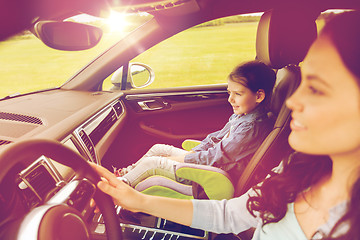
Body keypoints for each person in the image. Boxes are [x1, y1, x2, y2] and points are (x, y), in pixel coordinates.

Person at [91, 11, 360, 239]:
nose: (294, 101)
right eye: (302, 84)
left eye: (317, 89)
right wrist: (137, 200)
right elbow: (231, 214)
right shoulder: (296, 169)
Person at [114, 60, 276, 187]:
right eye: (229, 93)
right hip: (209, 165)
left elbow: (217, 158)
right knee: (158, 149)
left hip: (211, 175)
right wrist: (190, 154)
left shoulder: (250, 128)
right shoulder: (242, 117)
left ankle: (118, 187)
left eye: (238, 94)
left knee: (152, 162)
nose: (230, 99)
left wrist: (180, 160)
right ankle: (125, 173)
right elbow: (214, 139)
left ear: (259, 96)